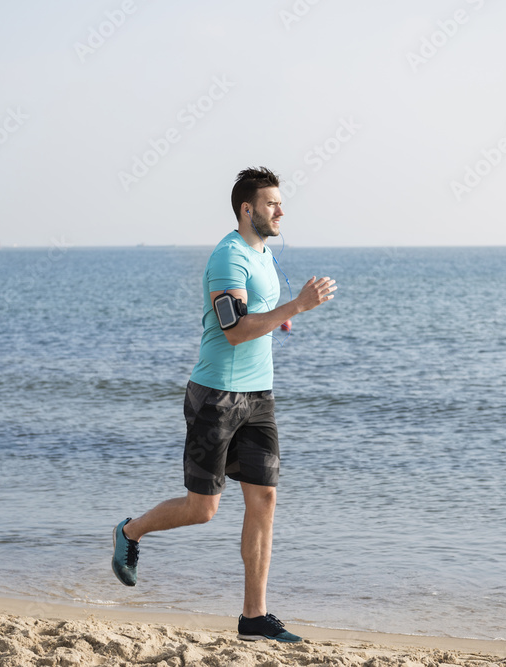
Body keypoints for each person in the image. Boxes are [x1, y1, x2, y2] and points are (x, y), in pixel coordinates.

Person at [111, 166, 337, 642]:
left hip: (259, 396)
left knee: (265, 499)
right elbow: (234, 332)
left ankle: (254, 617)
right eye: (272, 203)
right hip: (215, 395)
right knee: (203, 509)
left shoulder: (263, 255)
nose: (281, 210)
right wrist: (295, 308)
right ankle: (130, 532)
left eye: (280, 202)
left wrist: (283, 318)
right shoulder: (226, 258)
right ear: (247, 209)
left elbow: (258, 311)